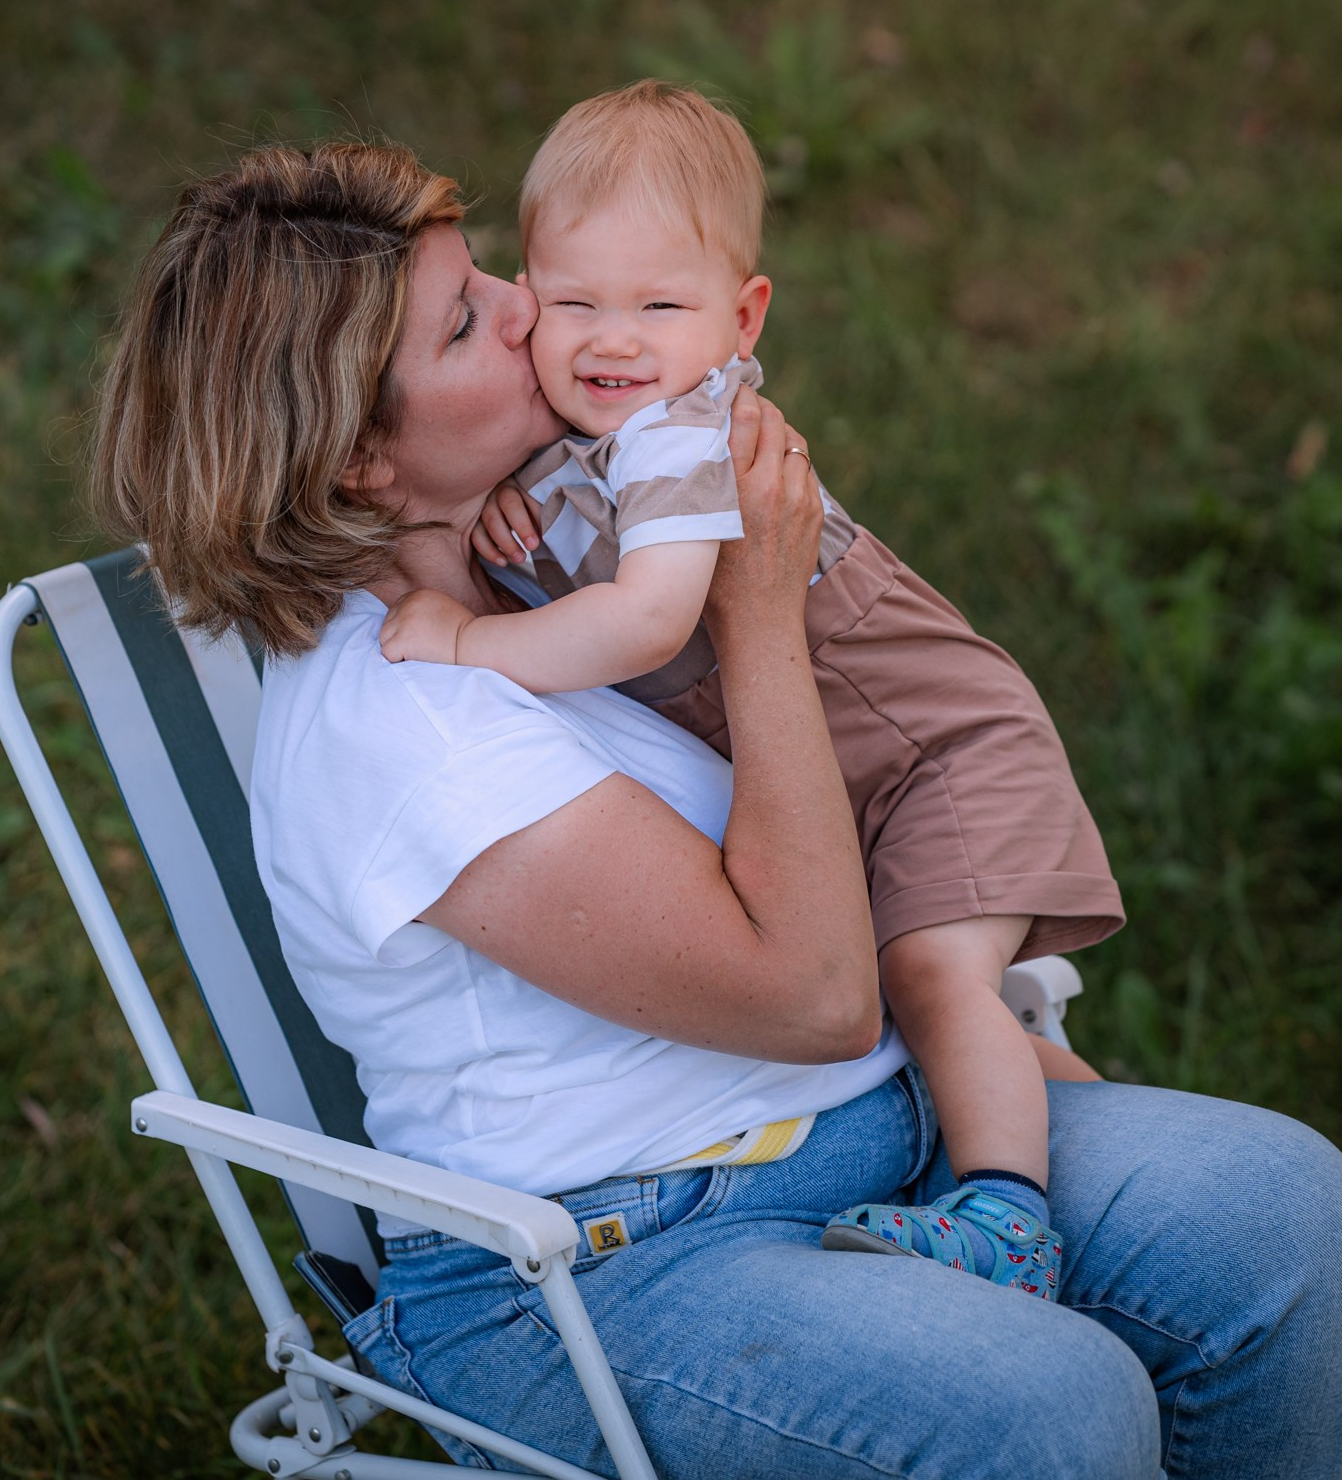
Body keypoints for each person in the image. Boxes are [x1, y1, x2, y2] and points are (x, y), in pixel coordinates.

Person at [92, 139, 1342, 1479]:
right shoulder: (407, 726)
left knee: (1285, 1215)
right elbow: (812, 993)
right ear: (360, 459)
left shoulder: (547, 571)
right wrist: (758, 603)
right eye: (470, 317)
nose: (530, 302)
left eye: (484, 271)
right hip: (607, 1264)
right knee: (1045, 1407)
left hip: (867, 1125)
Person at [377, 80, 1123, 1297]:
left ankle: (1007, 1217)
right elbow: (559, 491)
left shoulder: (680, 440)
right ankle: (1143, 1152)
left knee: (933, 980)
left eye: (659, 306)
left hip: (932, 747)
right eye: (573, 303)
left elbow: (646, 619)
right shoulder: (596, 425)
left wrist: (467, 643)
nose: (611, 341)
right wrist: (512, 491)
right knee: (924, 1001)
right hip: (845, 765)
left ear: (742, 315)